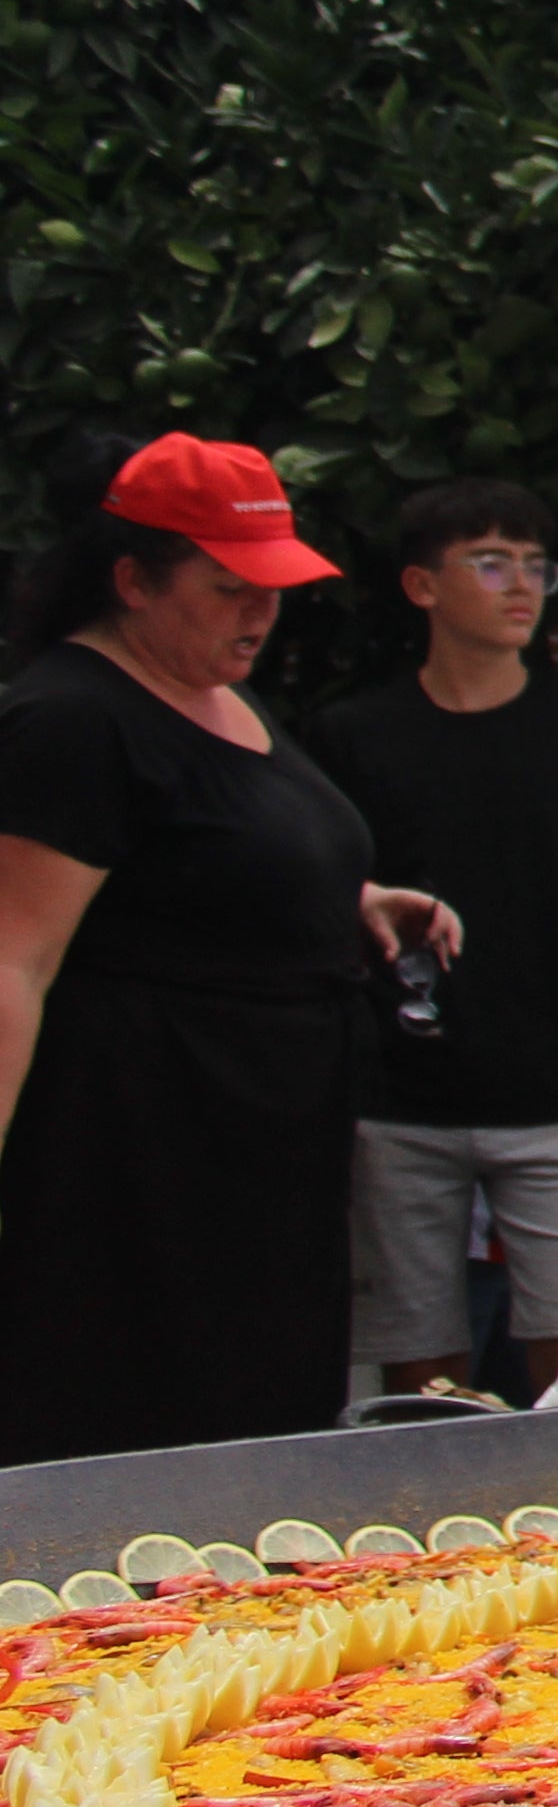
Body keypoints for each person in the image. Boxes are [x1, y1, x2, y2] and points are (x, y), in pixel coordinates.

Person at [0, 437, 460, 1461]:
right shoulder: (73, 717)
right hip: (139, 1154)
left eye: (272, 587)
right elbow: (11, 960)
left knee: (263, 1426)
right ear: (132, 582)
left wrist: (349, 900)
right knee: (144, 1425)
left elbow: (206, 856)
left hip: (265, 1151)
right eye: (227, 587)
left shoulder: (217, 685)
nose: (258, 611)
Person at [303, 479, 558, 1400]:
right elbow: (329, 909)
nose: (521, 586)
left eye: (537, 566)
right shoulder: (352, 735)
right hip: (404, 1096)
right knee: (417, 1371)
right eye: (490, 563)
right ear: (421, 586)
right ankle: (420, 1539)